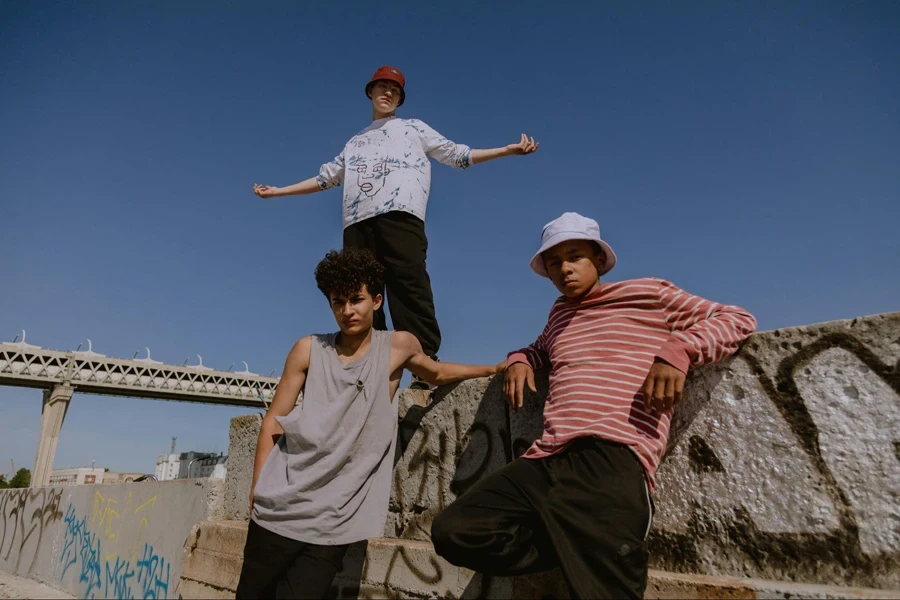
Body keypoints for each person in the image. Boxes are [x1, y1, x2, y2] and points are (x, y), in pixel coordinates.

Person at [430, 212, 757, 599]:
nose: (565, 268)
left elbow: (737, 318)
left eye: (576, 257)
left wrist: (679, 350)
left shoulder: (649, 294)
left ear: (598, 260)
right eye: (555, 262)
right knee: (454, 531)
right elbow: (539, 348)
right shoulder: (559, 314)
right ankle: (566, 543)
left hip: (612, 459)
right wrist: (519, 358)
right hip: (545, 460)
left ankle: (583, 550)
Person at [235, 247, 505, 599]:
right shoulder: (308, 349)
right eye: (338, 302)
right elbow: (274, 419)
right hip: (281, 506)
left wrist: (494, 369)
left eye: (356, 299)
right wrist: (258, 487)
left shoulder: (397, 346)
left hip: (336, 516)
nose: (347, 310)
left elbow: (437, 373)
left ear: (376, 301)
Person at [253, 65, 539, 388]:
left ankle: (424, 365)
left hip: (402, 217)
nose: (388, 93)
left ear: (400, 98)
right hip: (357, 223)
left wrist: (507, 150)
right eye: (382, 87)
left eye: (395, 90)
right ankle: (367, 367)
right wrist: (279, 191)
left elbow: (456, 154)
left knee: (409, 286)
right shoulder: (355, 143)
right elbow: (325, 179)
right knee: (360, 293)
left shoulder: (413, 128)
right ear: (370, 92)